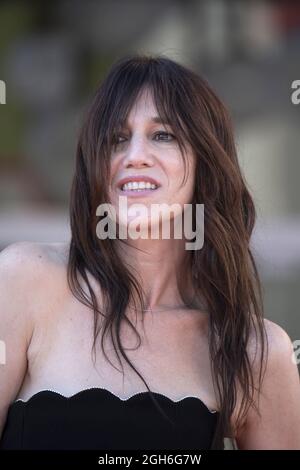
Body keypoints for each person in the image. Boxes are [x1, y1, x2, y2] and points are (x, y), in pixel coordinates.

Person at [0, 54, 300, 450]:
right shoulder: (25, 279)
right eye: (117, 139)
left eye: (164, 135)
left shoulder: (255, 351)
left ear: (205, 163)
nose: (134, 155)